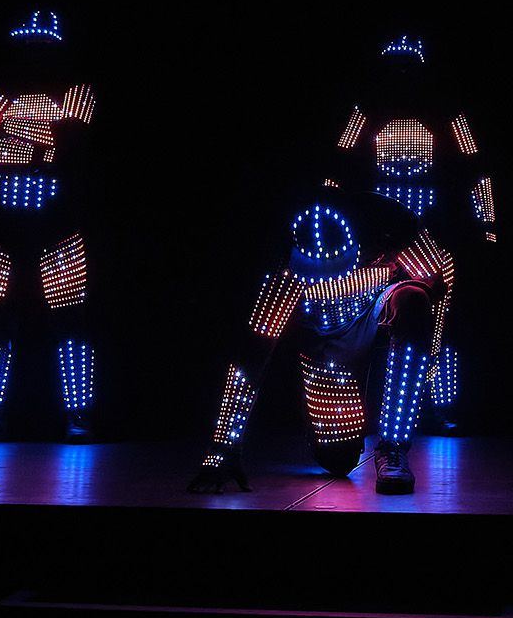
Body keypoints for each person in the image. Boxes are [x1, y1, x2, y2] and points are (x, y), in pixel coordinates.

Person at [188, 190, 453, 494]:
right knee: (338, 459)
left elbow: (439, 281)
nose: (327, 282)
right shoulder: (282, 265)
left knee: (413, 301)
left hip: (376, 303)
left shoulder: (391, 221)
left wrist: (425, 359)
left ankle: (393, 447)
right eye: (314, 278)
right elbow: (251, 358)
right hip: (325, 340)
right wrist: (223, 450)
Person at [321, 34, 497, 430]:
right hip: (374, 241)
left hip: (427, 240)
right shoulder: (364, 113)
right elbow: (338, 166)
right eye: (395, 70)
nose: (402, 78)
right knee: (360, 315)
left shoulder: (448, 115)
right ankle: (361, 403)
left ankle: (433, 402)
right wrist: (330, 218)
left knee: (437, 315)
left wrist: (486, 224)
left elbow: (476, 170)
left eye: (408, 70)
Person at [0, 10, 99, 443]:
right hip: (0, 231)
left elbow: (69, 151)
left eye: (43, 47)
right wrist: (36, 145)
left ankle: (79, 415)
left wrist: (8, 140)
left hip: (59, 231)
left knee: (69, 324)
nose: (34, 55)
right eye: (27, 46)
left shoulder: (77, 93)